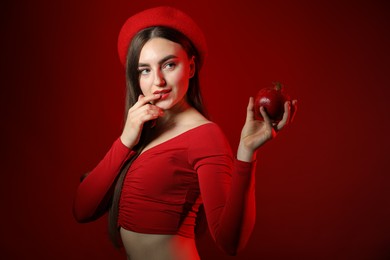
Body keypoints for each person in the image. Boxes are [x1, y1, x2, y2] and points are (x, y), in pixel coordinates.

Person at [73, 6, 297, 260]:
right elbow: (83, 209)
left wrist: (246, 153)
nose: (157, 80)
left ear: (190, 68)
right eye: (144, 70)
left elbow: (230, 242)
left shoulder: (204, 136)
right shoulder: (143, 132)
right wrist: (125, 140)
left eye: (168, 65)